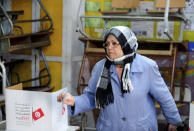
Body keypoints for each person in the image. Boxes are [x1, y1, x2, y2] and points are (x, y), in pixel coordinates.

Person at [57, 26, 182, 131]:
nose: (109, 47)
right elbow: (92, 98)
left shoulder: (147, 66)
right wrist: (74, 101)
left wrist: (173, 121)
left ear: (127, 44)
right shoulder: (101, 67)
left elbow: (164, 97)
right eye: (107, 44)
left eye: (114, 43)